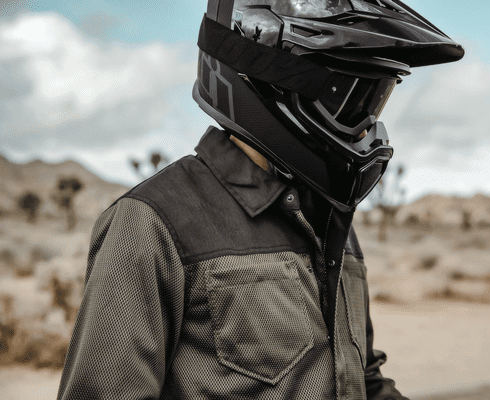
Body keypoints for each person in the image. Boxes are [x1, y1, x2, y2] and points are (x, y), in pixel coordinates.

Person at [57, 0, 463, 399]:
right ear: (274, 80)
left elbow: (362, 377)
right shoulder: (151, 223)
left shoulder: (329, 214)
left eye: (376, 100)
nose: (365, 129)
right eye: (351, 100)